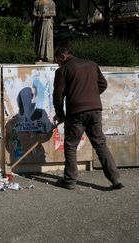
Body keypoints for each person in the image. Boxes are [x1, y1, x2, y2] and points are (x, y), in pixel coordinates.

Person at [52, 48, 123, 190]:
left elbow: (58, 96)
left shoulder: (63, 70)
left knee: (71, 145)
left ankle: (70, 181)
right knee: (100, 144)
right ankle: (115, 179)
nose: (57, 64)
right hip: (95, 110)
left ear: (63, 56)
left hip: (76, 113)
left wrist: (60, 114)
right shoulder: (92, 64)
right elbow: (103, 84)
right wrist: (91, 96)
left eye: (57, 60)